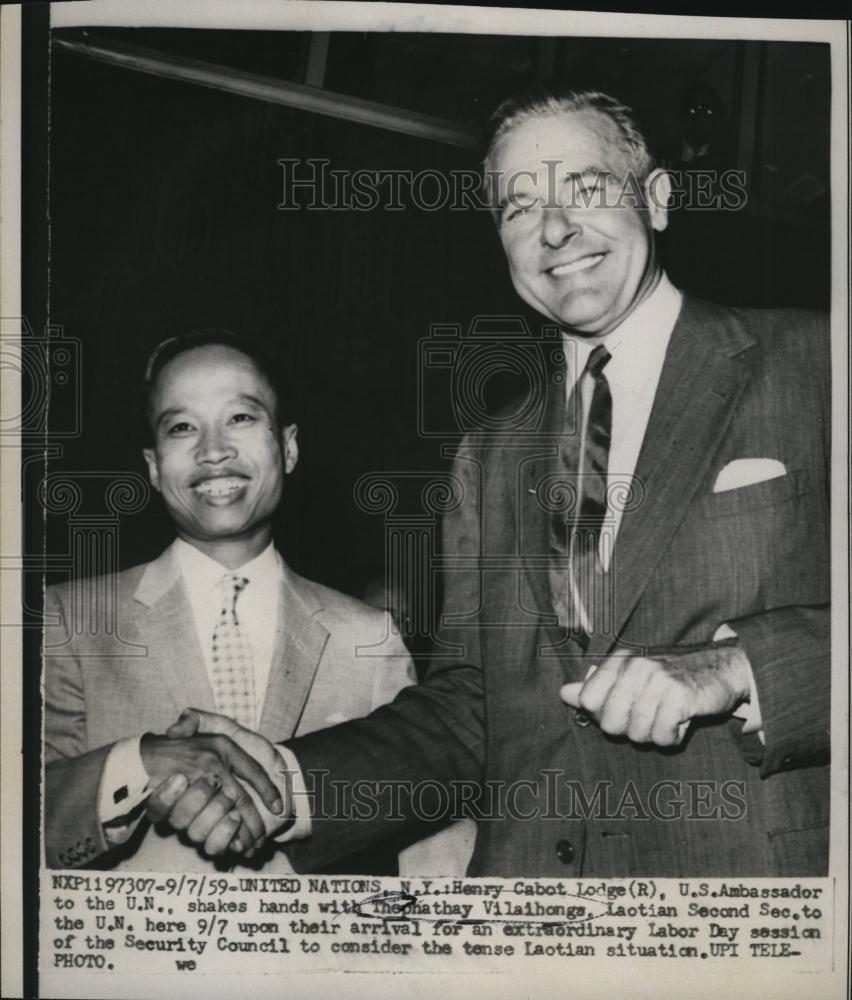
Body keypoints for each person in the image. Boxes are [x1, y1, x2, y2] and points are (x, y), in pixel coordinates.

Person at [150, 90, 831, 877]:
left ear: (657, 199)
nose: (553, 229)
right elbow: (471, 706)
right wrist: (283, 782)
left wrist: (741, 666)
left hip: (752, 920)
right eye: (517, 208)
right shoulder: (490, 451)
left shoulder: (816, 363)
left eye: (585, 188)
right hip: (528, 922)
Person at [43, 330, 420, 872]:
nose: (213, 449)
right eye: (181, 427)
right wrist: (137, 762)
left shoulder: (370, 638)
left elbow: (422, 830)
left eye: (240, 418)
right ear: (152, 466)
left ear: (287, 447)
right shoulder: (68, 621)